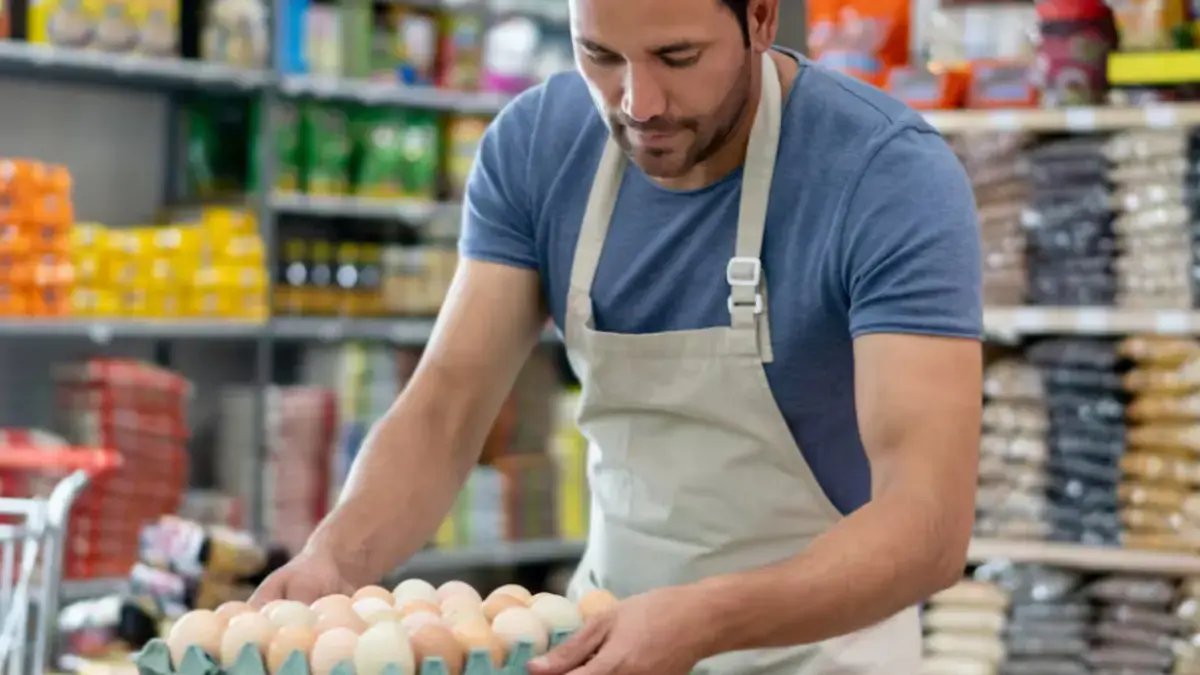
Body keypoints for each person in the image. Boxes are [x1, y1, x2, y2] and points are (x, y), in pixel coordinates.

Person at [251, 0, 983, 672]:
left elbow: (925, 522)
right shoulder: (539, 147)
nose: (638, 103)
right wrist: (333, 560)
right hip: (607, 638)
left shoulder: (885, 174)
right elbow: (445, 406)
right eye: (599, 55)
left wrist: (701, 618)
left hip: (823, 652)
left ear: (761, 17)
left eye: (677, 57)